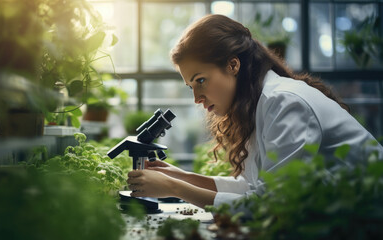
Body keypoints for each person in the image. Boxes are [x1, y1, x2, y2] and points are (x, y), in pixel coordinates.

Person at [126, 14, 383, 212]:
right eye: (191, 86)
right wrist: (181, 176)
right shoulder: (257, 105)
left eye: (201, 80)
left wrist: (174, 188)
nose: (196, 98)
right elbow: (253, 187)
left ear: (233, 64)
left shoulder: (284, 103)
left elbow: (270, 206)